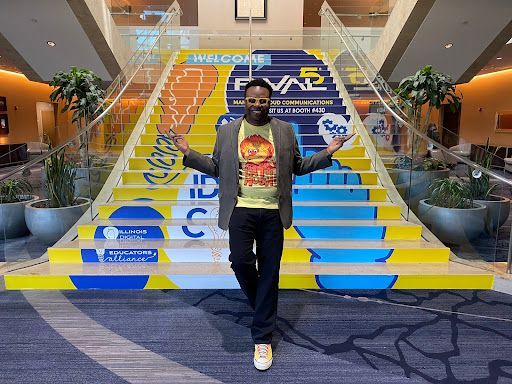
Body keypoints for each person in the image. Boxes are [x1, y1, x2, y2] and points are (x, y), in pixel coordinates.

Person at [167, 78, 354, 371]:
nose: (257, 105)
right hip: (240, 208)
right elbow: (217, 168)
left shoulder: (283, 130)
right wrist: (188, 153)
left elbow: (299, 167)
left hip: (272, 212)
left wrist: (327, 151)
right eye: (252, 100)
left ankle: (262, 338)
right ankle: (264, 308)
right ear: (244, 101)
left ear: (270, 101)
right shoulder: (228, 131)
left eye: (263, 100)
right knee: (240, 262)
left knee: (270, 270)